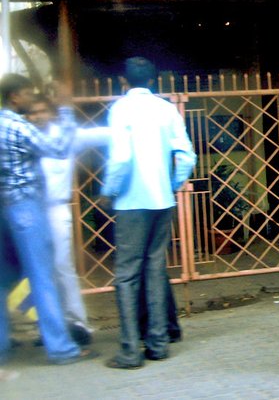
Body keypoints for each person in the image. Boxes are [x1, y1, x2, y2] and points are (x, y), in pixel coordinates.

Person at [100, 57, 196, 369]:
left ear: (122, 82)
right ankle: (158, 343)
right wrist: (171, 184)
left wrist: (108, 191)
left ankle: (130, 350)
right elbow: (186, 156)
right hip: (162, 200)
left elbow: (121, 158)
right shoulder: (166, 108)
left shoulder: (120, 109)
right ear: (153, 81)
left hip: (131, 202)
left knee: (127, 275)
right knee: (155, 269)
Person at [0, 74, 97, 365]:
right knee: (43, 278)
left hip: (3, 208)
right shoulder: (16, 125)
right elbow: (57, 149)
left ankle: (2, 343)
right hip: (26, 209)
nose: (33, 97)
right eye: (28, 93)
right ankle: (61, 348)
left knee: (3, 280)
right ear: (15, 97)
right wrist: (66, 110)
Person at [26, 94, 110, 346]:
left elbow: (105, 135)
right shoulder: (25, 138)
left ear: (51, 113)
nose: (37, 116)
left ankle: (78, 324)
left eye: (41, 111)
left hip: (56, 209)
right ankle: (50, 326)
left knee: (63, 269)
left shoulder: (65, 137)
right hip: (29, 211)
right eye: (32, 112)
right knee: (39, 272)